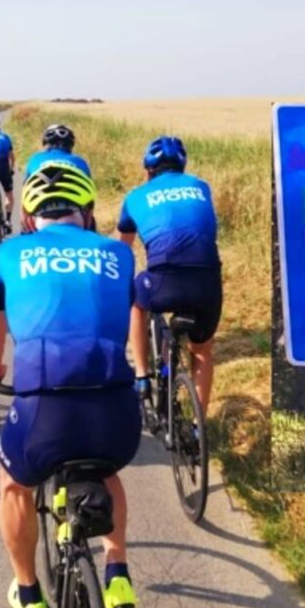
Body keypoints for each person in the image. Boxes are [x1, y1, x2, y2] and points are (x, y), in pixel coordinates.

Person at [0, 163, 141, 608]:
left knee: (14, 485)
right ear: (87, 212)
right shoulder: (117, 253)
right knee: (106, 472)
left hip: (42, 410)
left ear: (29, 218)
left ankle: (29, 594)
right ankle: (117, 574)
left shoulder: (10, 253)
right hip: (114, 410)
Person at [117, 136, 222, 415]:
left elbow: (122, 249)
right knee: (202, 351)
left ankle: (141, 375)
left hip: (164, 278)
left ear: (148, 171)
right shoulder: (201, 186)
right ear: (182, 167)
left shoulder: (135, 197)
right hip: (207, 278)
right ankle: (198, 425)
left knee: (137, 304)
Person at [24, 123, 91, 177]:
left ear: (46, 144)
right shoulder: (80, 161)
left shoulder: (35, 159)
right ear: (70, 145)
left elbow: (25, 185)